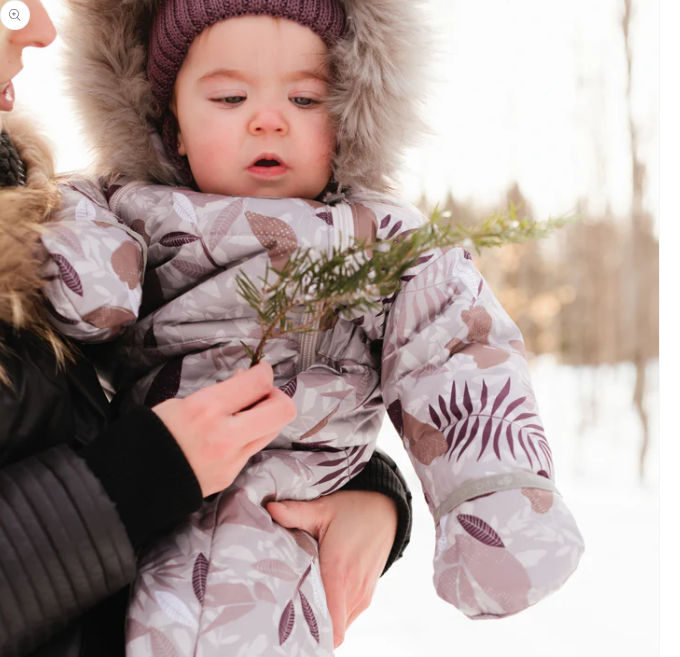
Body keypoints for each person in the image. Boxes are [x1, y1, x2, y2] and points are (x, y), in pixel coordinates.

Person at [43, 0, 585, 654]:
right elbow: (75, 268)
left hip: (294, 515)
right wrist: (79, 255)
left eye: (305, 99)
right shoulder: (120, 208)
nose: (268, 119)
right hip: (149, 508)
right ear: (172, 126)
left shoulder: (381, 239)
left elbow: (455, 345)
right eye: (230, 96)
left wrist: (495, 494)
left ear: (349, 120)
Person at [0, 2, 414, 655]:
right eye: (6, 6)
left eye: (307, 97)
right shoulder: (89, 218)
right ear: (175, 125)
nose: (39, 29)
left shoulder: (43, 211)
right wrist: (131, 481)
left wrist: (363, 488)